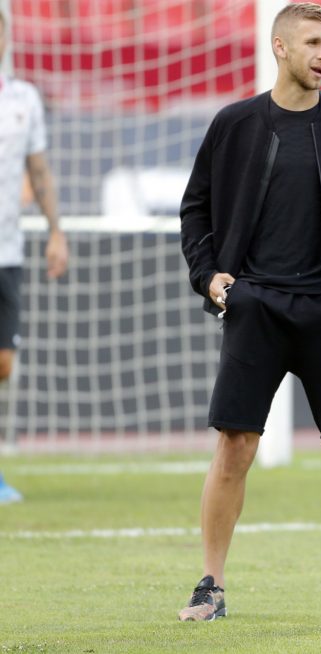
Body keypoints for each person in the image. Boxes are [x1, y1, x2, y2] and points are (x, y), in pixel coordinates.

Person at [177, 3, 321, 623]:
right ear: (280, 47)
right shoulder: (234, 123)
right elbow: (195, 209)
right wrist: (209, 276)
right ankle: (210, 584)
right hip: (256, 304)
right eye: (312, 42)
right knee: (235, 446)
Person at [0, 8, 69, 505]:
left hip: (8, 251)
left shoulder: (23, 99)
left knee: (4, 363)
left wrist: (55, 231)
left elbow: (39, 172)